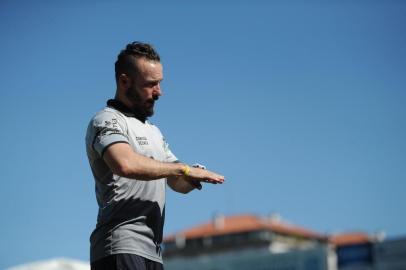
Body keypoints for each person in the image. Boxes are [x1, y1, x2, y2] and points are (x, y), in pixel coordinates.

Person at [85, 41, 225, 270]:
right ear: (124, 82)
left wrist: (193, 177)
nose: (159, 92)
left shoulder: (154, 132)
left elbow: (176, 183)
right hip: (120, 246)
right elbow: (125, 164)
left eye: (159, 83)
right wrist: (182, 169)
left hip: (153, 252)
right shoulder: (106, 120)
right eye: (150, 84)